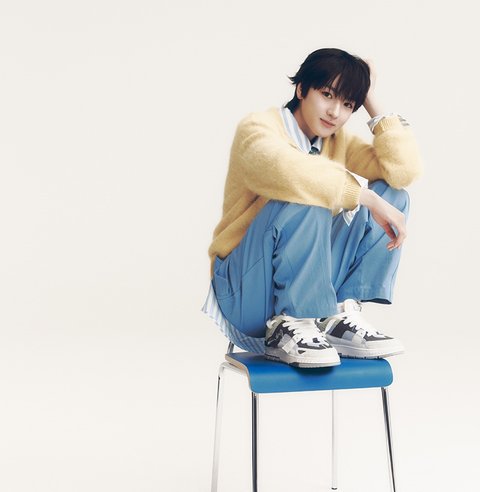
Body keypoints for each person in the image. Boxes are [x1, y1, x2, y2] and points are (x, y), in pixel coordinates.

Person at [203, 48, 422, 368]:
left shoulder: (336, 142)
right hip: (245, 292)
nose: (335, 112)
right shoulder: (258, 129)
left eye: (348, 104)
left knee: (392, 195)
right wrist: (366, 198)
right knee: (310, 196)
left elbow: (402, 171)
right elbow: (290, 172)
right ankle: (292, 321)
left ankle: (338, 314)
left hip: (311, 292)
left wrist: (370, 98)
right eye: (327, 95)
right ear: (302, 89)